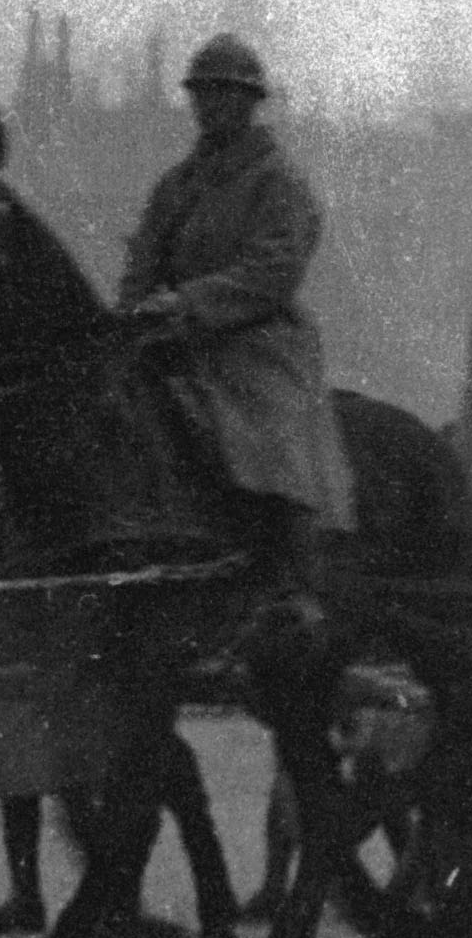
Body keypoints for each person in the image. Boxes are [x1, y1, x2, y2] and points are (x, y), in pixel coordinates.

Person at [116, 33, 353, 574]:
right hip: (171, 337)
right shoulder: (174, 185)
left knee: (271, 443)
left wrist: (188, 302)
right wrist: (133, 310)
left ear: (249, 103)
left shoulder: (280, 180)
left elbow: (274, 270)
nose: (210, 105)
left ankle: (296, 577)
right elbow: (143, 259)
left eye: (224, 94)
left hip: (255, 342)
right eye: (202, 94)